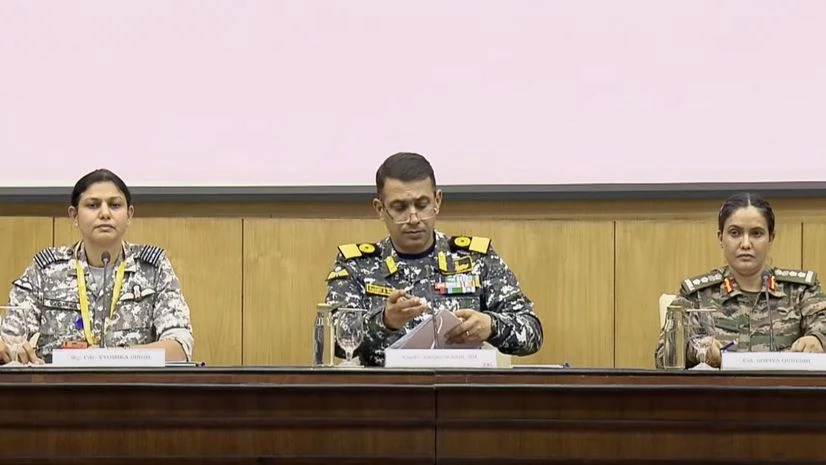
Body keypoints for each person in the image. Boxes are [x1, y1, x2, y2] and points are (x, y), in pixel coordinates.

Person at [324, 152, 543, 367]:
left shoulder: (477, 260)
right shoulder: (356, 266)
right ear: (380, 209)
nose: (413, 218)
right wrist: (384, 322)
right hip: (386, 395)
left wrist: (492, 326)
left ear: (437, 201)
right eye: (400, 208)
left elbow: (532, 332)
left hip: (461, 392)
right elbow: (331, 341)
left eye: (422, 205)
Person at [0, 169, 194, 364]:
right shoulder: (44, 270)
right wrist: (13, 351)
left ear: (129, 215)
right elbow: (9, 342)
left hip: (133, 390)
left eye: (115, 205)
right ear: (74, 215)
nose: (104, 213)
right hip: (59, 390)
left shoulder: (153, 268)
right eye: (93, 205)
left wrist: (108, 357)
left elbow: (179, 348)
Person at [655, 192, 826, 369]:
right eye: (735, 233)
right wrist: (700, 351)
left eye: (756, 234)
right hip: (720, 394)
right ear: (721, 238)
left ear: (771, 239)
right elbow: (663, 356)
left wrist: (817, 339)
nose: (745, 244)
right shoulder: (697, 294)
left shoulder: (801, 290)